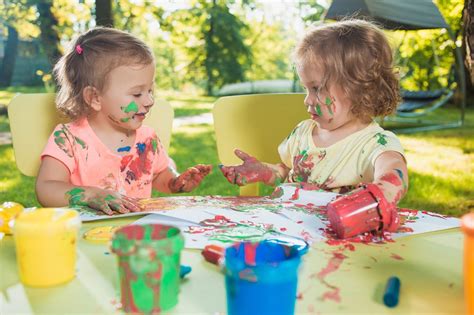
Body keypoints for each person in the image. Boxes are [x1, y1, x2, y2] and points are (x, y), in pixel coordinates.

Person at [220, 19, 408, 211]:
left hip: (336, 234)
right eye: (306, 88)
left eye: (317, 89)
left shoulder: (375, 144)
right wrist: (264, 171)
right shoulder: (303, 132)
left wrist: (377, 195)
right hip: (288, 225)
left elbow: (394, 172)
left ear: (358, 89)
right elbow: (286, 171)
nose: (307, 100)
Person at [36, 27, 211, 215]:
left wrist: (176, 182)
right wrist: (90, 195)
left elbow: (159, 174)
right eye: (137, 94)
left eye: (150, 91)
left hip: (137, 231)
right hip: (82, 235)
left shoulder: (147, 138)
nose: (149, 101)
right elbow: (46, 188)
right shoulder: (69, 139)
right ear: (94, 97)